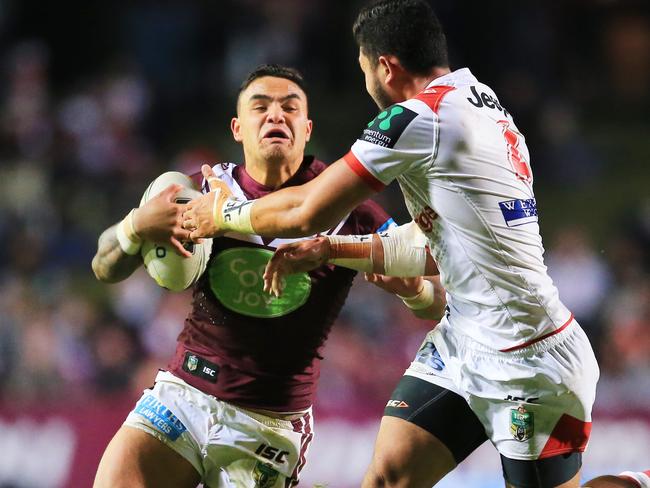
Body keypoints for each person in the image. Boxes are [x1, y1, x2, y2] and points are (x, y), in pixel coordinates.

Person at [181, 2, 649, 487]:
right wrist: (331, 250)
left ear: (386, 66)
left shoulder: (418, 119)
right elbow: (441, 249)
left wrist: (219, 213)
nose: (366, 86)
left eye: (364, 71)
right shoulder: (482, 101)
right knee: (388, 479)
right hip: (463, 341)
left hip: (529, 360)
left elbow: (306, 210)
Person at [91, 64, 441, 488]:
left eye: (289, 108)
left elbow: (439, 286)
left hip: (268, 427)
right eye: (261, 107)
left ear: (307, 128)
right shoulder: (200, 191)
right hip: (182, 397)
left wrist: (416, 292)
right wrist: (134, 227)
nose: (276, 115)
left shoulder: (350, 209)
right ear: (238, 128)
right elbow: (104, 267)